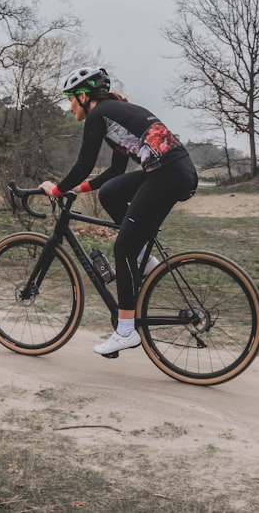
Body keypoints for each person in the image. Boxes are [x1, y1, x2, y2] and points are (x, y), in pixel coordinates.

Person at [39, 66, 198, 356]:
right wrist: (79, 190)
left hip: (167, 174)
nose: (69, 105)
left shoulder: (100, 114)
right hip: (172, 171)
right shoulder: (115, 115)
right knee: (111, 193)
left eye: (71, 98)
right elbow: (115, 171)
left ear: (84, 96)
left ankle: (126, 331)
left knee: (122, 247)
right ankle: (144, 259)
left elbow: (83, 164)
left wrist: (58, 190)